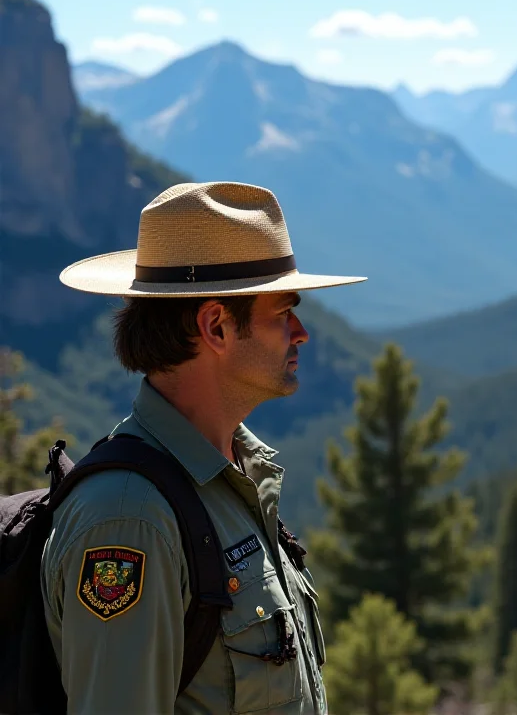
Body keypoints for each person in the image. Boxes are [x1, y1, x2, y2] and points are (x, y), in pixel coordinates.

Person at [40, 180, 366, 714]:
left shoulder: (230, 480)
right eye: (282, 312)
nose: (301, 332)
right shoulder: (129, 521)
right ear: (216, 325)